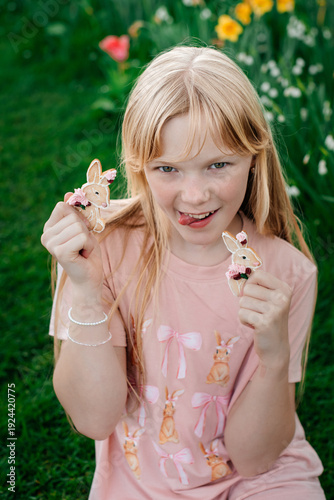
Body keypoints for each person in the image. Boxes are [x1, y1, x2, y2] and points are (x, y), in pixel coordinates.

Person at [41, 46, 325, 499]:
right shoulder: (100, 249)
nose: (194, 196)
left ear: (254, 156)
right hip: (142, 480)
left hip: (261, 479)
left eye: (218, 164)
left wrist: (273, 359)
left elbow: (255, 458)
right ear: (139, 167)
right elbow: (94, 419)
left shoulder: (286, 273)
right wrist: (87, 290)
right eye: (168, 169)